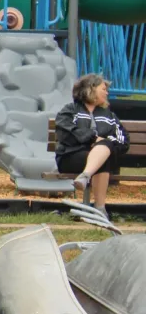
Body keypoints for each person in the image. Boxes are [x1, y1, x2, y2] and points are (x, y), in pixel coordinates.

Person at [56, 73, 130, 215]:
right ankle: (100, 209)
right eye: (103, 89)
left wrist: (104, 143)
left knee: (104, 152)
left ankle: (86, 178)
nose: (107, 92)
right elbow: (66, 133)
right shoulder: (70, 110)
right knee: (103, 155)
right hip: (71, 157)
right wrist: (93, 139)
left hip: (102, 158)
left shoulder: (109, 115)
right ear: (91, 88)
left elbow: (123, 141)